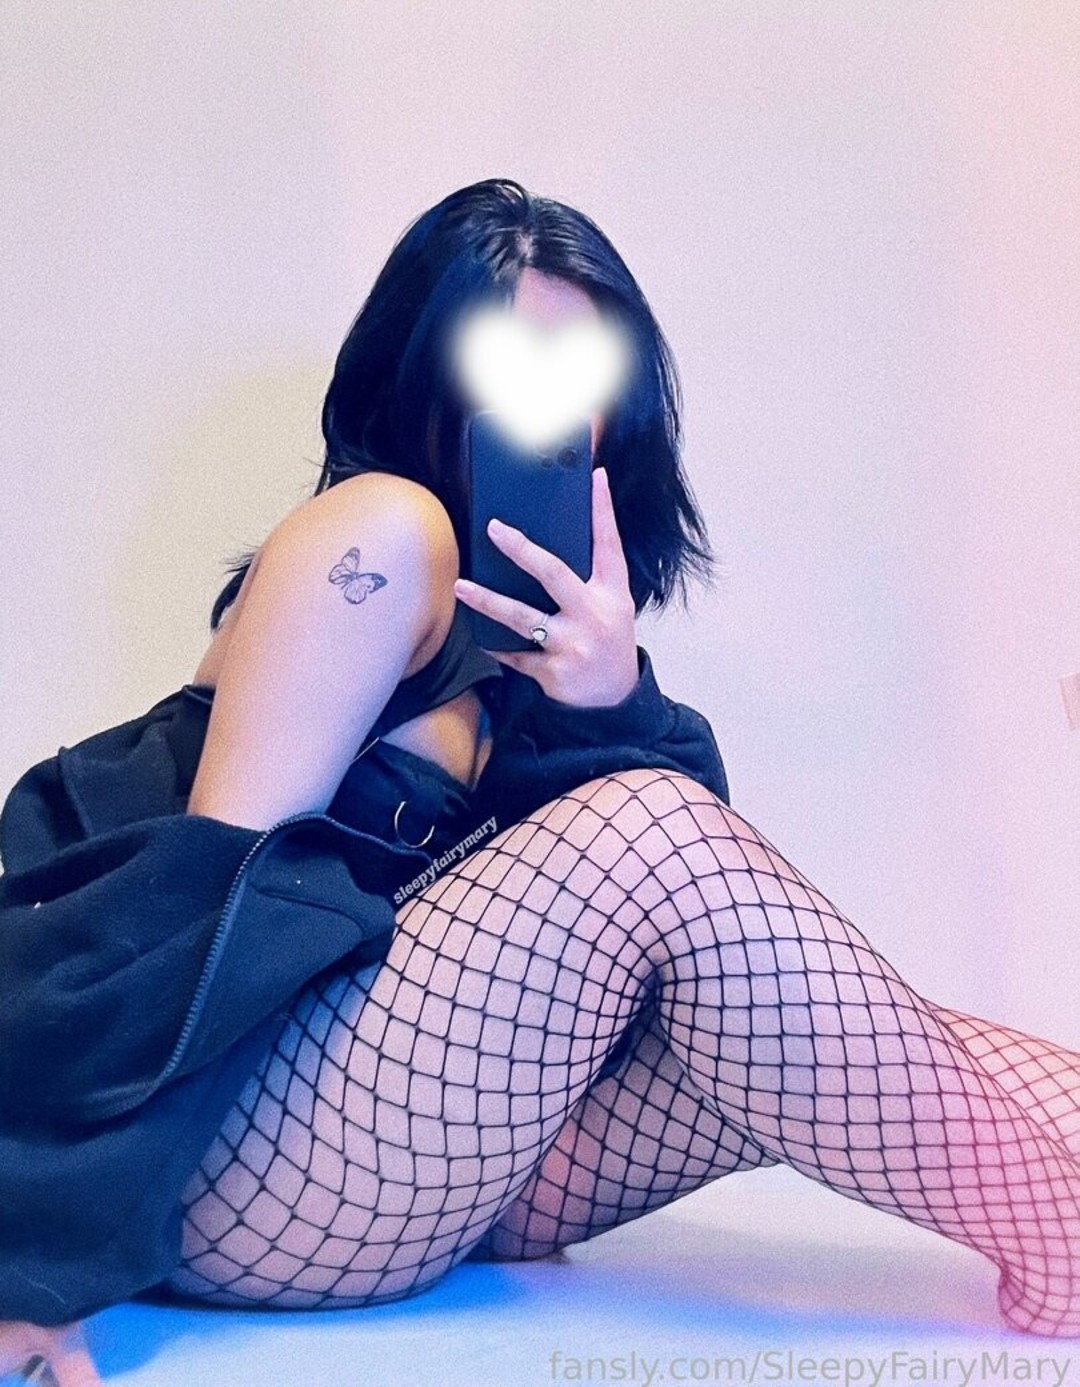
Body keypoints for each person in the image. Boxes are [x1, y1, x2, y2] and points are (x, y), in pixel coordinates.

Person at [3, 178, 1080, 1385]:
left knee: (826, 1040)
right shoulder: (380, 532)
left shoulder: (519, 644)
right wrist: (29, 1256)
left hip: (445, 1170)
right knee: (651, 833)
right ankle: (1070, 1237)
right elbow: (201, 906)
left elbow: (724, 952)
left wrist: (609, 699)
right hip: (248, 1181)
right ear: (423, 370)